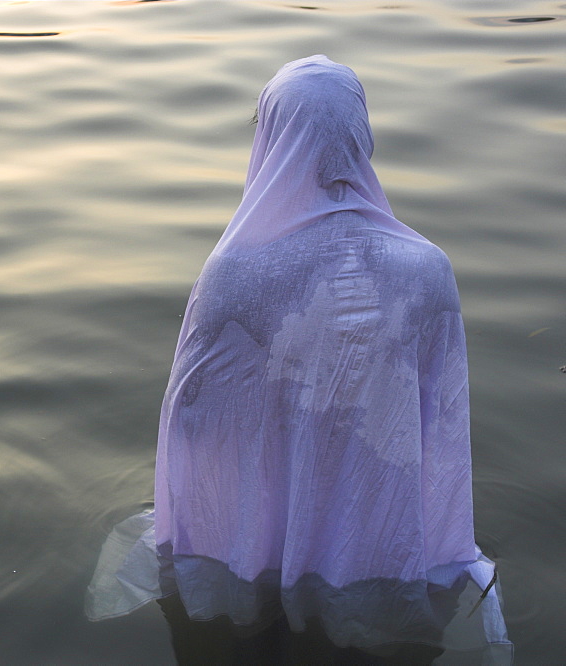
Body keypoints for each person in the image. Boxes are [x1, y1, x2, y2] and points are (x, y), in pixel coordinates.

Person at [87, 56, 511, 660]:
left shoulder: (236, 271)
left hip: (257, 541)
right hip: (372, 532)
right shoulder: (429, 269)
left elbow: (192, 420)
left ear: (269, 136)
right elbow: (439, 426)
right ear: (361, 135)